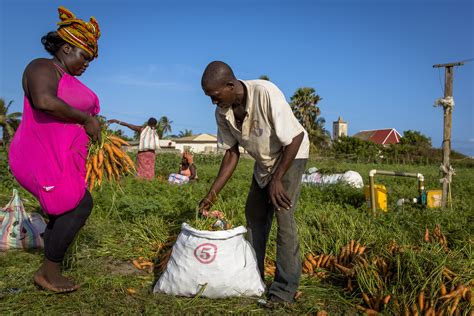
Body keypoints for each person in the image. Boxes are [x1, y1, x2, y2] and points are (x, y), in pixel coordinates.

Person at [198, 61, 309, 305]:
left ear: (230, 85)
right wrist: (210, 196)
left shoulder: (265, 92)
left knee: (284, 217)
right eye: (209, 97)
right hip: (264, 162)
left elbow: (296, 137)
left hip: (291, 154)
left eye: (215, 96)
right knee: (255, 216)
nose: (213, 102)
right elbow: (231, 154)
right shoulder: (223, 112)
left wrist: (277, 179)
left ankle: (283, 290)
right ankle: (253, 278)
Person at [8, 6, 101, 292]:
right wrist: (86, 119)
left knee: (65, 208)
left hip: (58, 155)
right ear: (66, 47)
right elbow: (44, 101)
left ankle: (50, 269)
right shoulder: (41, 67)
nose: (87, 64)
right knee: (79, 204)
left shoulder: (67, 77)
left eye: (91, 59)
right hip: (37, 153)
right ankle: (48, 272)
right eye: (84, 56)